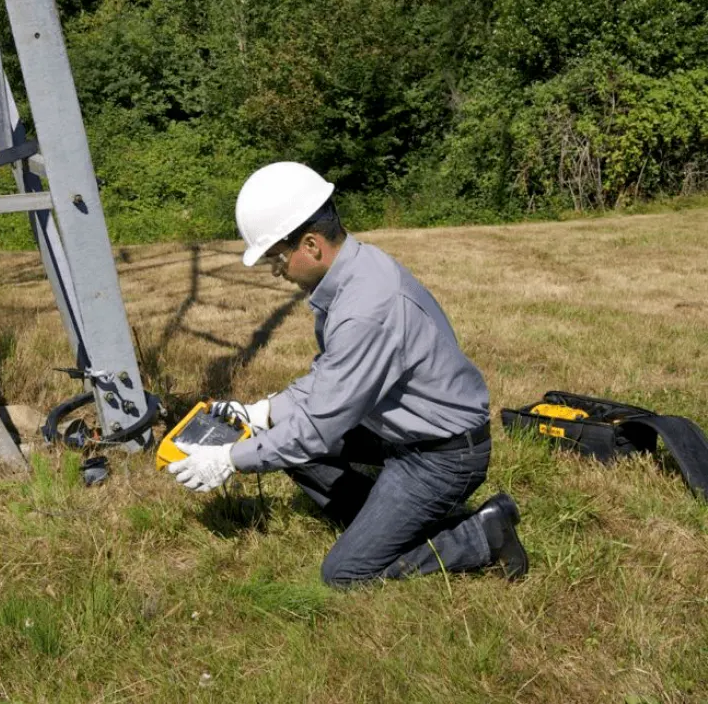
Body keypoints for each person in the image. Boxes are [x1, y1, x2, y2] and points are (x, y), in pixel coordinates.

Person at [166, 162, 528, 587]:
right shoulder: (355, 270)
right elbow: (330, 381)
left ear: (311, 245)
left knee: (346, 572)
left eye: (276, 259)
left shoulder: (364, 309)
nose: (275, 272)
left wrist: (231, 459)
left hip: (441, 455)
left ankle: (482, 534)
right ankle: (381, 522)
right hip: (398, 429)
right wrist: (263, 412)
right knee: (287, 435)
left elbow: (318, 428)